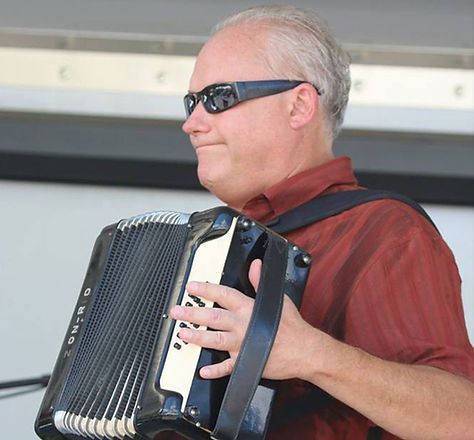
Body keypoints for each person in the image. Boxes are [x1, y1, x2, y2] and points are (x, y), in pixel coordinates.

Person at [169, 5, 474, 439]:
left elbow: (463, 420)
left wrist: (310, 353)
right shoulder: (204, 248)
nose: (192, 123)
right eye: (191, 102)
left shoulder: (384, 231)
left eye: (219, 98)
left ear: (299, 106)